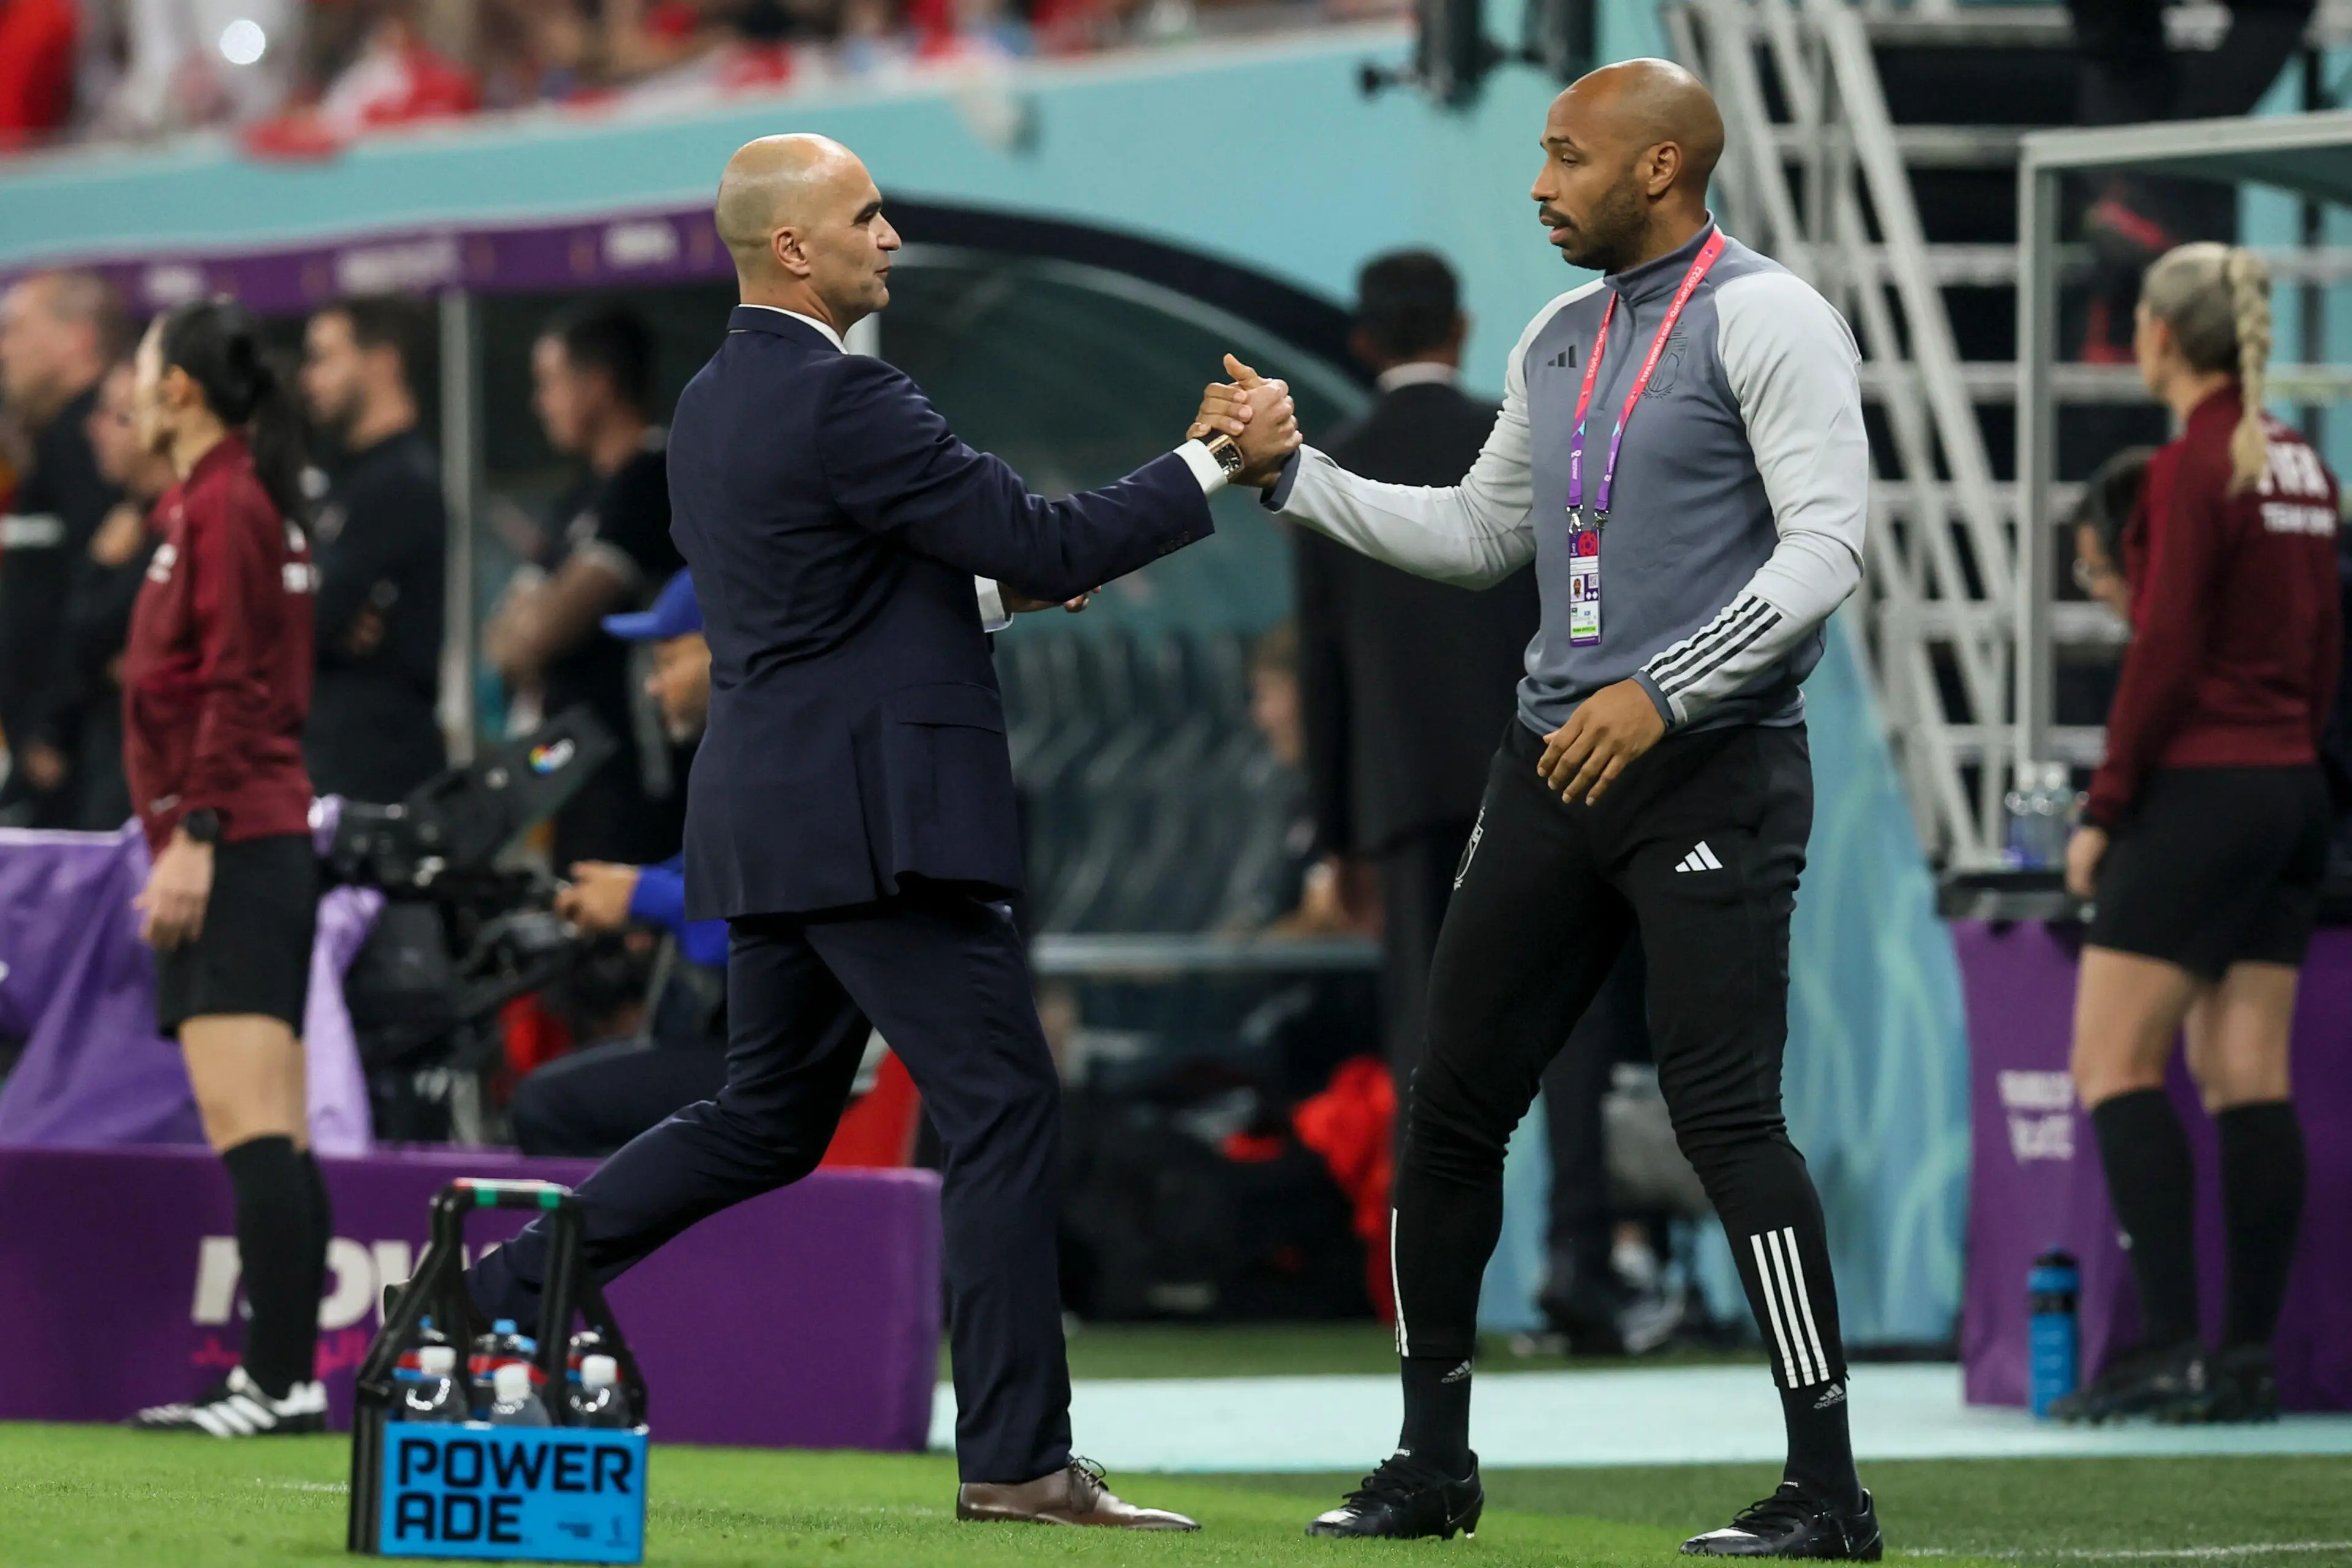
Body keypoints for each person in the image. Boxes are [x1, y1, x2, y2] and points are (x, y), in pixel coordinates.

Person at [460, 132, 1297, 1528]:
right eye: (865, 214)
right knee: (1002, 1099)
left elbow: (830, 606)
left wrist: (998, 595)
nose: (891, 235)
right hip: (875, 823)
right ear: (793, 246)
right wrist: (1213, 458)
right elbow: (1041, 538)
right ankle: (1019, 1459)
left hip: (769, 814)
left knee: (766, 1116)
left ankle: (495, 1292)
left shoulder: (717, 405)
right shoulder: (854, 400)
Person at [1195, 59, 1877, 1556]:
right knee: (1446, 1109)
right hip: (1550, 763)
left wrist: (1665, 689)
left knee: (1724, 1117)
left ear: (1656, 170)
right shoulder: (1557, 336)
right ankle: (1429, 1461)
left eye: (1566, 156)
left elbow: (1826, 547)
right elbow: (1472, 533)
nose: (1536, 182)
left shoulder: (1766, 316)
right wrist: (1294, 474)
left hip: (1707, 764)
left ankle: (1825, 1488)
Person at [2056, 245, 2339, 1426]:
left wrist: (2106, 805)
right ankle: (2244, 1361)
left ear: (2157, 339)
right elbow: (2328, 642)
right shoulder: (2305, 466)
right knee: (2243, 1075)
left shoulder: (2187, 469)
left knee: (2113, 1065)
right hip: (2291, 792)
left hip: (2203, 789)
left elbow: (2163, 653)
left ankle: (2168, 1343)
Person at [119, 299, 330, 1438]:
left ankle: (280, 1381)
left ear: (182, 390)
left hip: (239, 846)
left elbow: (242, 687)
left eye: (141, 366)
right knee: (271, 1125)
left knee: (248, 1120)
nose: (129, 387)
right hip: (244, 839)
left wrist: (196, 835)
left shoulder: (229, 505)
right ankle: (284, 1380)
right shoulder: (207, 504)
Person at [1294, 249, 1539, 1096]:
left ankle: (1423, 1229)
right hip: (1536, 780)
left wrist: (1338, 840)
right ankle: (1584, 1228)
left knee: (1425, 1041)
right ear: (1463, 328)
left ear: (1363, 344)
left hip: (1403, 800)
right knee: (1569, 1013)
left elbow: (1322, 676)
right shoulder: (1528, 447)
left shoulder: (1330, 473)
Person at [508, 568, 729, 1157]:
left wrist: (640, 898)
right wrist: (626, 890)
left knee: (546, 1106)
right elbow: (704, 877)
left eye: (668, 663)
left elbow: (732, 928)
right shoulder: (735, 762)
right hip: (758, 1048)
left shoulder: (769, 766)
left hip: (783, 1063)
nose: (654, 689)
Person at [486, 301, 687, 869]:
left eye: (548, 384)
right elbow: (503, 642)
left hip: (639, 790)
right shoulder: (578, 498)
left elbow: (545, 629)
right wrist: (529, 629)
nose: (538, 404)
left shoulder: (654, 480)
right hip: (572, 784)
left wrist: (537, 624)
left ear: (598, 386)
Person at [299, 294, 448, 802]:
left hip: (378, 782)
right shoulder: (341, 480)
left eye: (324, 358)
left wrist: (310, 609)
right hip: (327, 770)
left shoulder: (404, 481)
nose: (309, 378)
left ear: (382, 362)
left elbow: (315, 617)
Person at [0, 270, 126, 827]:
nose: (4, 348)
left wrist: (54, 725)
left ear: (76, 339)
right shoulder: (51, 444)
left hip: (74, 764)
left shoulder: (91, 445)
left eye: (17, 329)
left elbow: (100, 597)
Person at [64, 358, 176, 830]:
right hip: (116, 767)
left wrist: (101, 570)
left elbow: (92, 633)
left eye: (114, 415)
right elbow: (86, 649)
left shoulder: (185, 525)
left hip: (163, 785)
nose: (93, 429)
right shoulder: (125, 524)